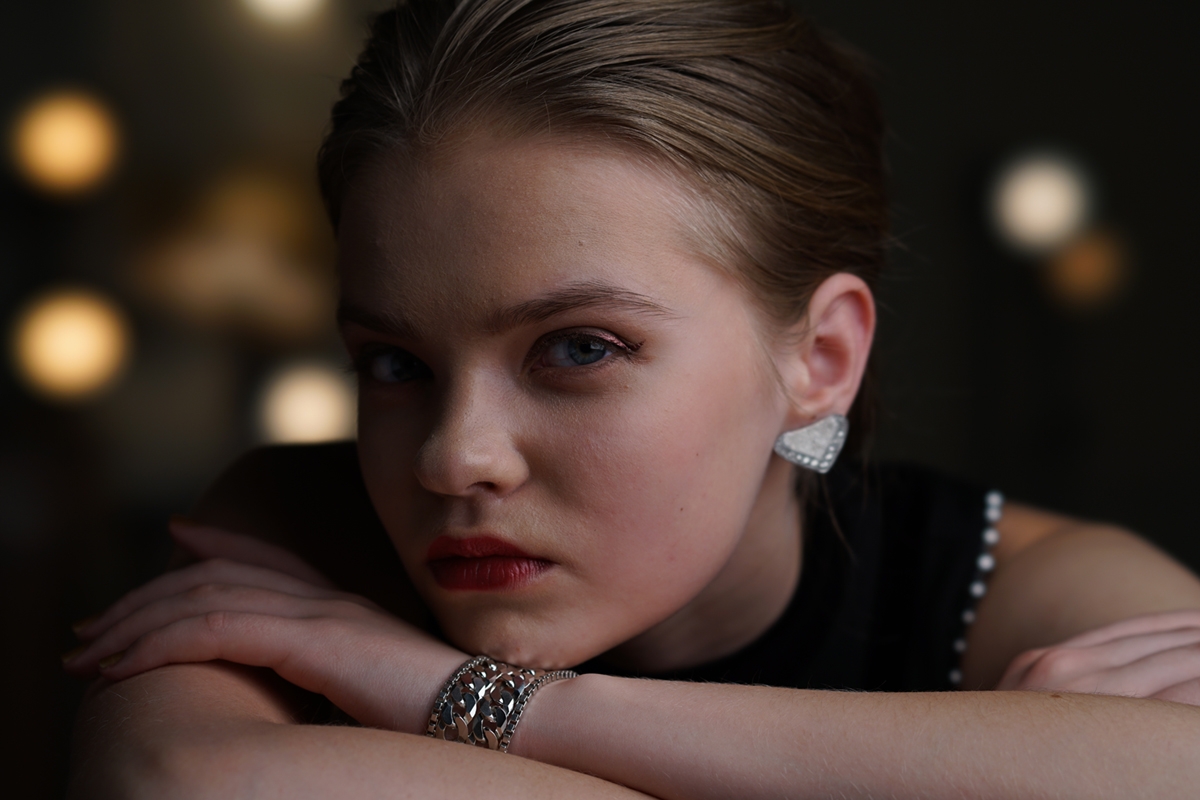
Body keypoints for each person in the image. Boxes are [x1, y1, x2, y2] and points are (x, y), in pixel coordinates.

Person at [64, 1, 1200, 797]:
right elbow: (186, 776)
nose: (454, 459)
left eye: (579, 347)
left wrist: (476, 699)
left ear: (821, 355)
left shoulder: (1036, 589)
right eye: (395, 363)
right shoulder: (295, 535)